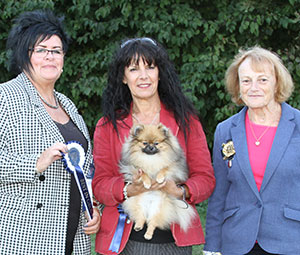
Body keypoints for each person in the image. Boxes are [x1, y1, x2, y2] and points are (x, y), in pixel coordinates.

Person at [92, 37, 215, 255]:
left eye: (150, 67)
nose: (143, 76)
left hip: (174, 243)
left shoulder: (186, 122)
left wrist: (179, 190)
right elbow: (100, 184)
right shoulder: (107, 126)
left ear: (160, 73)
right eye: (133, 69)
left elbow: (205, 179)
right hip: (123, 243)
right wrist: (128, 189)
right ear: (123, 77)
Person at [0, 10, 100, 254]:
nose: (50, 57)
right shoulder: (4, 97)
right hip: (24, 237)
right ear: (26, 55)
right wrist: (35, 163)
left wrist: (93, 205)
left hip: (73, 236)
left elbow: (86, 165)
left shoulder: (68, 104)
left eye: (56, 51)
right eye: (41, 50)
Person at [203, 46, 300, 255]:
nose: (253, 87)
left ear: (276, 83)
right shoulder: (225, 130)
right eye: (246, 81)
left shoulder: (298, 125)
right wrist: (211, 247)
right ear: (238, 86)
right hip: (237, 244)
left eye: (262, 80)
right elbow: (218, 193)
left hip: (290, 242)